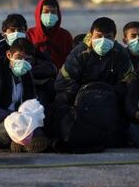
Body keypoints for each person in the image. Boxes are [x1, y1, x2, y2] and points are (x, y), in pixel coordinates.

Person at [50, 17, 133, 152]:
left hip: (110, 100)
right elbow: (62, 81)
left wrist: (109, 93)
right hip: (80, 99)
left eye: (108, 37)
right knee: (60, 101)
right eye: (99, 36)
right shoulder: (80, 52)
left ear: (114, 38)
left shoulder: (120, 53)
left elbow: (128, 81)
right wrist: (84, 95)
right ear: (91, 35)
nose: (103, 41)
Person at [0, 38, 48, 153]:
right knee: (17, 123)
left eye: (27, 60)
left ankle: (22, 141)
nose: (23, 62)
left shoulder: (26, 73)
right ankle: (20, 141)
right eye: (19, 58)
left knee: (38, 118)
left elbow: (31, 102)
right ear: (9, 55)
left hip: (20, 117)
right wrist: (15, 116)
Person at [27, 0, 73, 70]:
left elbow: (71, 60)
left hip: (59, 78)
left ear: (58, 14)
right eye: (46, 12)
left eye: (53, 12)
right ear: (39, 14)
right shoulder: (30, 34)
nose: (49, 15)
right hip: (35, 78)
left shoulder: (65, 36)